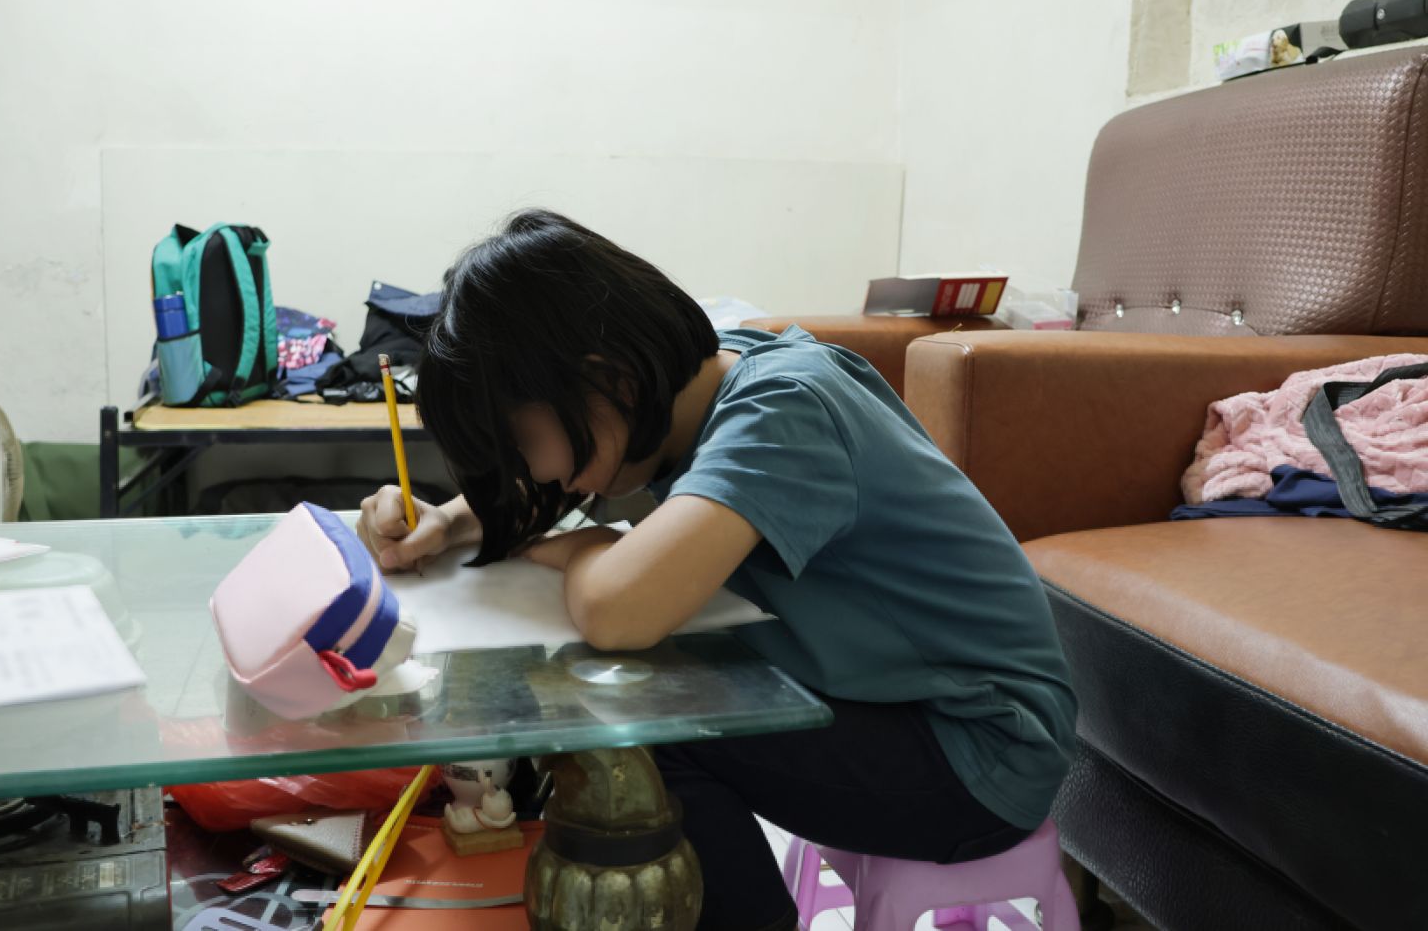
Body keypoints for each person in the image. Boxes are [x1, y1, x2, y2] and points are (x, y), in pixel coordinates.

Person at [358, 209, 1077, 930]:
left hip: (979, 751)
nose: (536, 473)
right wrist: (448, 520)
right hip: (898, 706)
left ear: (609, 380)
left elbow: (616, 610)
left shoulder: (784, 411)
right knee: (632, 694)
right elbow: (558, 480)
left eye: (523, 441)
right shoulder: (691, 392)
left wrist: (584, 547)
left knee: (639, 725)